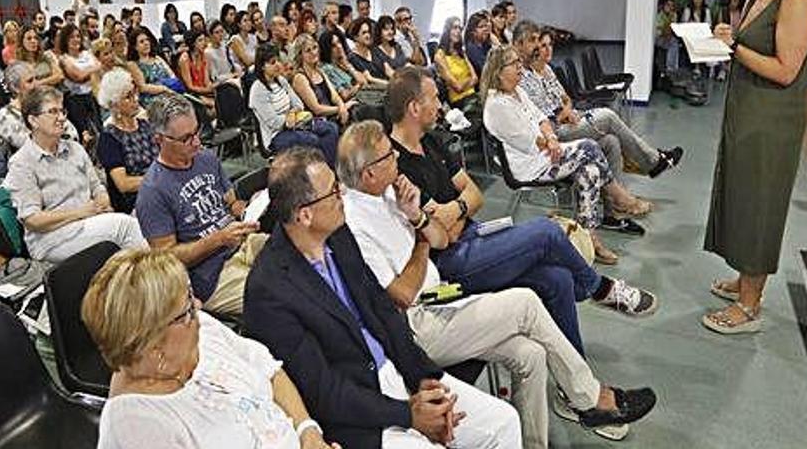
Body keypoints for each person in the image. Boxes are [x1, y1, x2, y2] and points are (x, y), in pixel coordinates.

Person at [338, 121, 658, 448]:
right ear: (368, 174)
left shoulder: (392, 192)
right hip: (417, 326)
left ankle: (534, 443)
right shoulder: (355, 224)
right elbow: (403, 294)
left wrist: (417, 217)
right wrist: (421, 243)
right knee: (526, 301)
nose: (396, 159)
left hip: (442, 297)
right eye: (388, 157)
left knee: (530, 354)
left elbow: (440, 239)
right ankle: (589, 399)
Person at [243, 147, 523, 449]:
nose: (343, 196)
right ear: (305, 214)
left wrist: (422, 377)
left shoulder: (337, 234)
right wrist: (409, 416)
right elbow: (323, 390)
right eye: (334, 191)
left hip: (395, 371)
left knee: (503, 422)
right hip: (355, 413)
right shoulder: (269, 290)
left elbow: (382, 308)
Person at [389, 66, 658, 342]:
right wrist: (461, 207)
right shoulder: (397, 166)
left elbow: (475, 195)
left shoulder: (431, 140)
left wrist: (457, 209)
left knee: (559, 280)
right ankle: (599, 288)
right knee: (546, 231)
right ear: (413, 108)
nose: (439, 104)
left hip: (472, 234)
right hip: (449, 265)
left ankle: (579, 382)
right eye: (433, 98)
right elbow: (443, 235)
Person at [82, 248, 342, 449]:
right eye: (186, 309)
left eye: (189, 294)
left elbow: (269, 370)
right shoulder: (137, 426)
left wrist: (307, 431)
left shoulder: (197, 329)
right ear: (153, 347)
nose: (199, 306)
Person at [704, 0, 807, 334]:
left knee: (761, 204)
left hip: (772, 121)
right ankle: (746, 279)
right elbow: (747, 49)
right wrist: (724, 41)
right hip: (747, 113)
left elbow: (786, 71)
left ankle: (749, 306)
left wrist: (734, 47)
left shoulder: (795, 0)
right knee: (743, 196)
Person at [482, 46, 653, 261]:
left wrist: (553, 139)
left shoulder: (518, 91)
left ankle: (588, 238)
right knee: (590, 147)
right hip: (530, 166)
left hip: (547, 153)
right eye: (514, 64)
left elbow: (542, 119)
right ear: (498, 71)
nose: (520, 68)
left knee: (589, 171)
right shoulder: (496, 105)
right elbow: (528, 142)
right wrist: (550, 143)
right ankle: (619, 197)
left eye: (519, 62)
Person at [136, 94, 266, 315]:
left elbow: (230, 202)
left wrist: (250, 206)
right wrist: (217, 239)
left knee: (299, 258)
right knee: (279, 293)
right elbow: (167, 258)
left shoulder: (205, 158)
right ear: (160, 140)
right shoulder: (153, 192)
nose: (197, 142)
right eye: (186, 138)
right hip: (209, 275)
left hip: (240, 242)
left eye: (196, 132)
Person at [517, 24, 683, 185]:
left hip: (568, 118)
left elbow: (565, 98)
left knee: (612, 141)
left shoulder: (546, 70)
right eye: (538, 43)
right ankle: (653, 161)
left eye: (548, 45)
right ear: (520, 45)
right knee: (609, 116)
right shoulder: (523, 78)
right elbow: (543, 119)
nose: (544, 49)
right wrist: (564, 115)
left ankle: (616, 204)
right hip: (556, 132)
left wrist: (568, 111)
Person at [4, 86, 146, 263]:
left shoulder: (75, 149)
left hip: (88, 223)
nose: (62, 118)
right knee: (124, 226)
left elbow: (97, 187)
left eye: (62, 111)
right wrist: (81, 212)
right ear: (33, 120)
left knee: (141, 223)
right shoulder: (22, 162)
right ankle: (168, 286)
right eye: (53, 112)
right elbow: (33, 220)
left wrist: (102, 200)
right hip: (51, 240)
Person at [249, 43, 339, 161]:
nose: (278, 65)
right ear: (262, 67)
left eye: (278, 61)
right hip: (276, 135)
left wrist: (292, 114)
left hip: (296, 123)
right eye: (272, 62)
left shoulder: (281, 80)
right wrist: (289, 119)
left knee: (331, 128)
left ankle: (330, 170)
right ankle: (320, 171)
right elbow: (274, 122)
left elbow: (298, 104)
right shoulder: (258, 90)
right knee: (311, 140)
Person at [0, 62, 78, 178]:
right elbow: (35, 147)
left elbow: (72, 135)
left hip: (66, 167)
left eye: (37, 78)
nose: (37, 84)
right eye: (30, 81)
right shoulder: (5, 116)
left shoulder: (46, 104)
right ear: (15, 88)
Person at [96, 68, 159, 213]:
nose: (135, 99)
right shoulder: (108, 138)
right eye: (128, 97)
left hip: (161, 187)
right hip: (136, 200)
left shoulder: (145, 125)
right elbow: (123, 184)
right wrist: (162, 179)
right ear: (114, 104)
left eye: (134, 93)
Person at [291, 34, 355, 127]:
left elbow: (335, 96)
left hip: (333, 114)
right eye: (308, 51)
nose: (313, 52)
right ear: (300, 55)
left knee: (360, 109)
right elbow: (317, 109)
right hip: (318, 121)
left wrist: (342, 106)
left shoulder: (320, 71)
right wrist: (342, 108)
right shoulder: (300, 78)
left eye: (314, 48)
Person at [58, 24, 102, 141]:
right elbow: (78, 77)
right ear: (65, 39)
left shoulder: (86, 53)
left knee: (98, 130)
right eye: (72, 37)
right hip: (75, 100)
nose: (76, 39)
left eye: (78, 36)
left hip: (91, 95)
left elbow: (99, 66)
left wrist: (85, 72)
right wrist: (91, 71)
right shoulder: (64, 58)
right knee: (85, 135)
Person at [433, 17, 480, 119]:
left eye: (460, 28)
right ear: (447, 30)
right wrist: (469, 80)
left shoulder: (461, 52)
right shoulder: (440, 56)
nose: (458, 31)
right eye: (455, 28)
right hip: (459, 100)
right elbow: (457, 87)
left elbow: (476, 78)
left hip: (473, 95)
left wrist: (465, 82)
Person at [129, 27, 177, 107]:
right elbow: (143, 87)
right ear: (135, 47)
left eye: (147, 40)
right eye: (141, 42)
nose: (146, 43)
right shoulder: (133, 64)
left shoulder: (157, 58)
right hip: (151, 99)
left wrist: (173, 88)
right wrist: (164, 89)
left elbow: (172, 76)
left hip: (169, 93)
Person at [318, 31, 368, 102]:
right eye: (333, 46)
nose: (339, 46)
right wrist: (359, 85)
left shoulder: (343, 63)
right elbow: (345, 95)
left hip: (362, 98)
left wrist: (347, 64)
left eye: (339, 42)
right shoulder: (328, 69)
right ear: (327, 49)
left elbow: (364, 81)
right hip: (351, 105)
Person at [177, 30, 216, 111]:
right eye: (200, 40)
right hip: (191, 93)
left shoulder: (204, 55)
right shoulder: (185, 58)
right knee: (214, 106)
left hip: (204, 91)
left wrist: (211, 88)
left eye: (204, 40)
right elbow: (189, 86)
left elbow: (206, 80)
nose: (204, 43)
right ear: (193, 43)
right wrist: (207, 90)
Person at [348, 17, 389, 85]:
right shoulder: (353, 57)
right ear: (355, 37)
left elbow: (388, 70)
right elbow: (369, 78)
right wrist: (389, 84)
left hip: (387, 87)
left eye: (369, 32)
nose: (368, 35)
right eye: (364, 33)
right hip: (372, 91)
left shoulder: (375, 50)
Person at [205, 20, 242, 84]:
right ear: (211, 35)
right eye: (217, 32)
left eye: (221, 31)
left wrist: (237, 70)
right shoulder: (208, 52)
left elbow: (231, 63)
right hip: (222, 83)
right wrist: (230, 76)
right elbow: (215, 77)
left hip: (232, 77)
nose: (220, 35)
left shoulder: (224, 46)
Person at [464, 11, 492, 76]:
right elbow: (486, 70)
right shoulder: (472, 48)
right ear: (473, 31)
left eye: (486, 26)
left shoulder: (485, 44)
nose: (485, 29)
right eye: (481, 27)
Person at [656, 0, 680, 71]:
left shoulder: (674, 15)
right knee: (673, 42)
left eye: (672, 6)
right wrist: (670, 20)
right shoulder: (659, 15)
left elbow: (673, 30)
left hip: (669, 37)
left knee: (674, 42)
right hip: (658, 38)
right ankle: (670, 67)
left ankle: (674, 67)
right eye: (668, 5)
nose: (669, 7)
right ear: (663, 5)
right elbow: (663, 31)